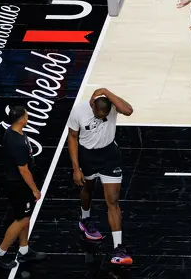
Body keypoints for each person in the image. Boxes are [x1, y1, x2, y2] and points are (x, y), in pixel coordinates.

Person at [66, 88, 134, 266]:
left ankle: (118, 247)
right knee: (88, 188)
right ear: (92, 106)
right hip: (87, 156)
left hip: (109, 156)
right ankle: (85, 218)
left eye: (103, 115)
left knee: (113, 200)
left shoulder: (111, 106)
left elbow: (128, 110)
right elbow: (72, 137)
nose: (100, 117)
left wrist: (105, 91)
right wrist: (75, 168)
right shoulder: (79, 110)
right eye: (97, 114)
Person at [0, 106, 48, 268]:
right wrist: (35, 189)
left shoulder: (12, 132)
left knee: (25, 218)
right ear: (22, 119)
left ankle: (24, 251)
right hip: (19, 186)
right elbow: (23, 169)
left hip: (16, 183)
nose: (28, 117)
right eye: (27, 115)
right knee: (21, 219)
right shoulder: (17, 142)